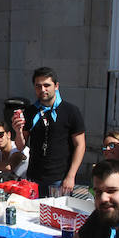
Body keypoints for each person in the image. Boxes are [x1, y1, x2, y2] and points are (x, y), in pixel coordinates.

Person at [13, 67, 86, 197]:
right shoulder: (30, 112)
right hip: (34, 177)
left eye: (47, 85)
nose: (43, 90)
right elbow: (20, 146)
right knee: (33, 215)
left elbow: (80, 145)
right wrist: (18, 131)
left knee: (56, 216)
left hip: (60, 178)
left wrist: (71, 176)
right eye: (38, 86)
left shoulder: (71, 111)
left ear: (56, 86)